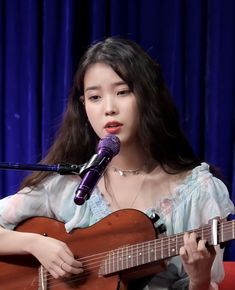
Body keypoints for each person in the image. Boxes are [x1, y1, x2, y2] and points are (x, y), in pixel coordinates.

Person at [0, 37, 234, 290]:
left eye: (122, 92)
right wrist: (35, 244)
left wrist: (198, 280)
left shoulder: (197, 192)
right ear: (83, 106)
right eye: (95, 97)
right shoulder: (67, 184)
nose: (109, 108)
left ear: (148, 96)